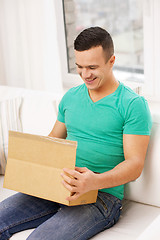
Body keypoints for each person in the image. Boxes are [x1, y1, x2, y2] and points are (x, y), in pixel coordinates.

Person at [0, 27, 152, 240]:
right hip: (57, 185)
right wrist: (28, 164)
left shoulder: (132, 104)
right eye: (80, 67)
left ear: (112, 61)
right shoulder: (70, 97)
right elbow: (54, 139)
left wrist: (93, 182)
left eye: (92, 67)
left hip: (102, 196)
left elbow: (135, 165)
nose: (85, 75)